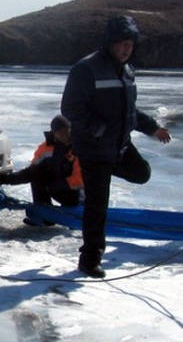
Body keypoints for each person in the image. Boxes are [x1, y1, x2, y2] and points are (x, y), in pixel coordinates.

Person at [61, 15, 171, 278]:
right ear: (110, 43)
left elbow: (129, 110)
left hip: (119, 145)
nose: (126, 48)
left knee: (141, 173)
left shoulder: (127, 70)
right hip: (95, 149)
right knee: (98, 206)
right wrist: (98, 129)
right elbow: (70, 108)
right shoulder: (86, 69)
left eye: (130, 44)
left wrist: (151, 127)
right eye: (121, 43)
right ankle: (89, 259)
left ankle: (98, 178)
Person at [0, 115, 83, 225]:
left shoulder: (79, 147)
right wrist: (7, 179)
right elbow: (31, 172)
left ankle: (75, 211)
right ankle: (44, 216)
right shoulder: (46, 148)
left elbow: (80, 179)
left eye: (66, 131)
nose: (64, 135)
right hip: (57, 188)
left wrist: (56, 186)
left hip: (78, 193)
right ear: (54, 133)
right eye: (60, 132)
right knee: (37, 176)